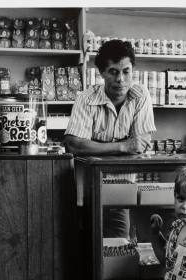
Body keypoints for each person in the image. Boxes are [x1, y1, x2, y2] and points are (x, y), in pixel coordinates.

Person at [64, 39, 156, 238]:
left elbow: (139, 145)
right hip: (86, 192)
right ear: (102, 73)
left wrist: (94, 146)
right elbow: (73, 144)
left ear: (133, 70)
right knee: (84, 247)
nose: (121, 79)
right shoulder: (86, 98)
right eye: (113, 71)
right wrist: (123, 146)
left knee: (118, 247)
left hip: (121, 191)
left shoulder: (141, 96)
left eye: (126, 71)